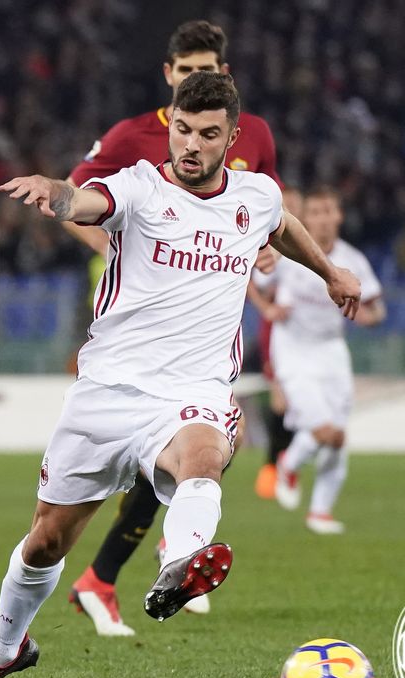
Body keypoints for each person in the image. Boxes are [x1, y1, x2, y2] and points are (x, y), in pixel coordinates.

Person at [0, 72, 361, 678]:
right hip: (107, 393)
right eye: (182, 129)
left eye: (208, 135)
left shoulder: (254, 195)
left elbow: (279, 223)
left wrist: (330, 270)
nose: (191, 144)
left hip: (192, 391)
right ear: (170, 124)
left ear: (231, 138)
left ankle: (180, 561)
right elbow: (90, 202)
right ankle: (4, 650)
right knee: (45, 541)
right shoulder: (142, 187)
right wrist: (59, 195)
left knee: (205, 454)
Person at [63, 20, 283, 637]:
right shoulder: (132, 137)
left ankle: (129, 567)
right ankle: (132, 564)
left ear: (225, 73)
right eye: (184, 71)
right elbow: (80, 198)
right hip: (135, 318)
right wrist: (108, 245)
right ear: (168, 74)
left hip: (208, 326)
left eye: (205, 69)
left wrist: (266, 249)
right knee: (171, 452)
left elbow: (266, 214)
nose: (194, 80)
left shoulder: (253, 138)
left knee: (193, 451)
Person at [270, 187, 384, 533]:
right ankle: (288, 463)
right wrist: (268, 309)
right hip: (292, 348)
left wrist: (370, 317)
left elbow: (376, 308)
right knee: (321, 429)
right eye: (314, 212)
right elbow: (250, 283)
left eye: (327, 211)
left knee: (337, 436)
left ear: (339, 216)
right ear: (306, 217)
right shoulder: (289, 253)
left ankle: (320, 511)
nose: (321, 219)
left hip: (332, 350)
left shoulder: (354, 259)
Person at [249, 186, 304, 500]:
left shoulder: (304, 248)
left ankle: (284, 466)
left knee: (299, 405)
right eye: (288, 206)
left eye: (297, 206)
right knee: (282, 402)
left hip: (307, 341)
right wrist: (267, 308)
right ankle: (272, 468)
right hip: (278, 335)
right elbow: (253, 282)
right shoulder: (271, 248)